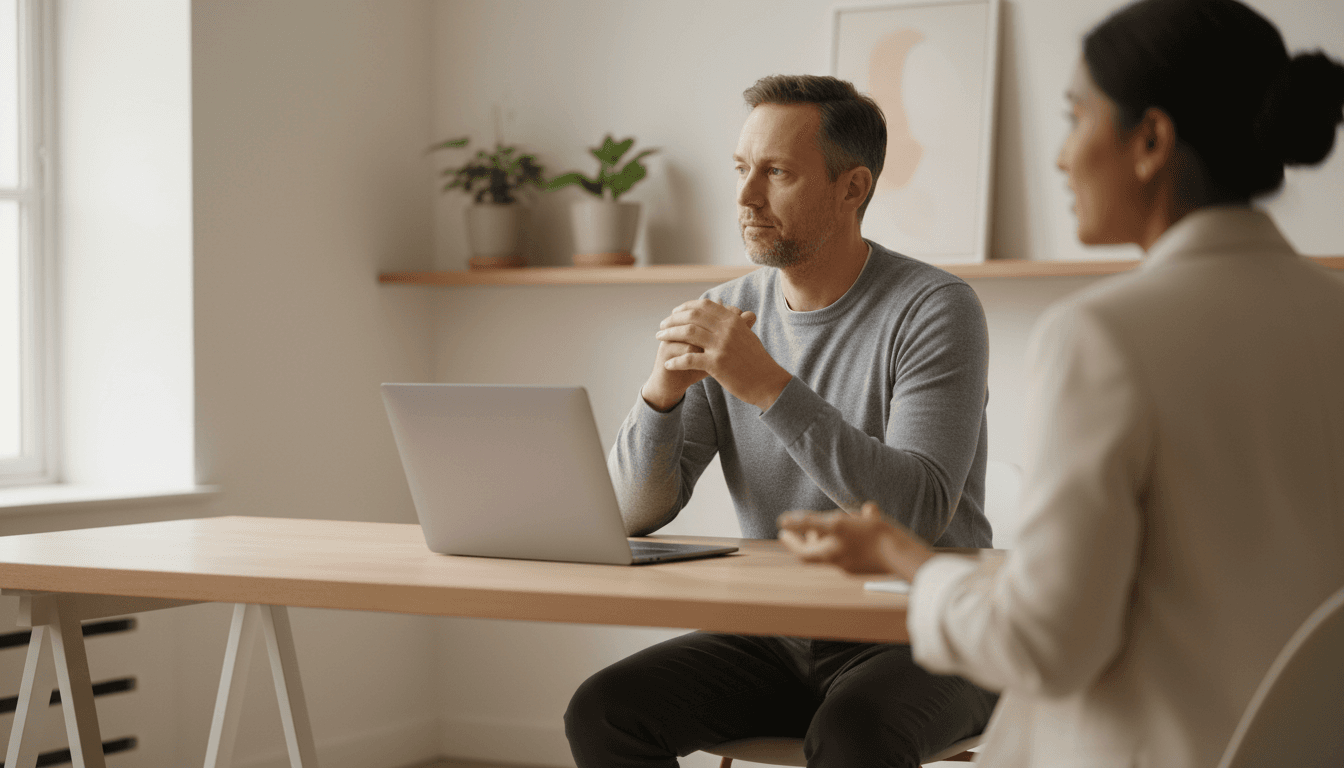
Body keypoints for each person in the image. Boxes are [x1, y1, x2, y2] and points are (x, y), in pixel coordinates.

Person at [779, 2, 1344, 767]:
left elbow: (1043, 647)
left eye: (1075, 117)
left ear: (1150, 141)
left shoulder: (1105, 337)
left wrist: (904, 557)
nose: (1059, 158)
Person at [564, 75, 998, 768]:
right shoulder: (727, 307)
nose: (744, 197)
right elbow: (631, 513)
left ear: (852, 188)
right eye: (741, 169)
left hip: (928, 634)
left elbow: (915, 511)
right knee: (605, 711)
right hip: (779, 635)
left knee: (856, 732)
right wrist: (661, 395)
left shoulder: (935, 309)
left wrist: (764, 381)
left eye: (777, 173)